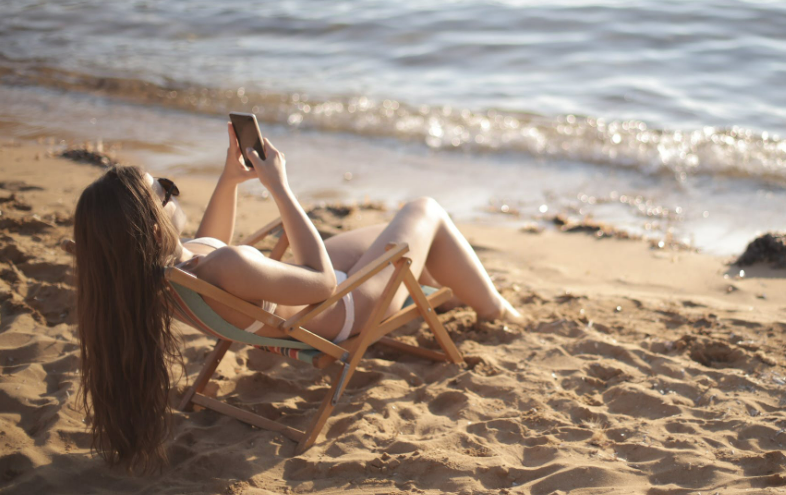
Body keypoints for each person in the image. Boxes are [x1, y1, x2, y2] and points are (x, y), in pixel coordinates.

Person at [73, 123, 523, 472]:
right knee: (425, 212)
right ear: (156, 229)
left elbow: (207, 241)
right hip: (344, 309)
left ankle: (447, 294)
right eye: (165, 191)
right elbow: (325, 282)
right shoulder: (226, 268)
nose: (173, 192)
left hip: (300, 298)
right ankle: (496, 311)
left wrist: (231, 179)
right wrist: (279, 187)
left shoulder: (157, 277)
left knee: (414, 246)